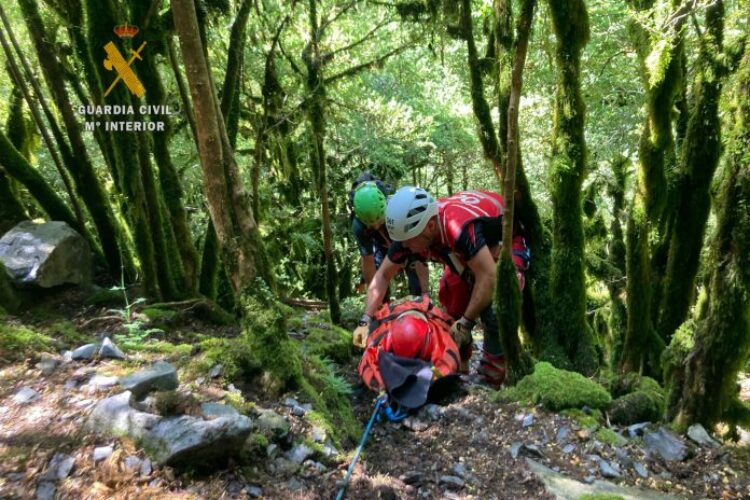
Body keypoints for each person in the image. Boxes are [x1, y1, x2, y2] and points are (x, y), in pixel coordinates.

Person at [354, 187, 530, 388]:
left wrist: (467, 321)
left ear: (429, 226)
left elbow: (489, 277)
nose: (407, 248)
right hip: (464, 254)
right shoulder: (409, 235)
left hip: (505, 241)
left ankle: (491, 377)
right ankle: (460, 366)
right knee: (452, 297)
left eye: (410, 242)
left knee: (498, 303)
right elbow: (383, 276)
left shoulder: (458, 227)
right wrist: (365, 320)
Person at [358, 296, 460, 410]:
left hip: (420, 324)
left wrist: (433, 379)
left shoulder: (438, 330)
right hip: (394, 320)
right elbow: (367, 361)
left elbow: (448, 363)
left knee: (460, 335)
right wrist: (382, 386)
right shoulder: (381, 334)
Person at [349, 173, 427, 297]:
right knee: (380, 280)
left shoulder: (399, 209)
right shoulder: (359, 225)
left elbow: (418, 253)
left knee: (414, 272)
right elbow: (368, 263)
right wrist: (375, 301)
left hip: (403, 239)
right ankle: (383, 306)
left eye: (379, 221)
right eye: (370, 224)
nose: (375, 227)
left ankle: (421, 302)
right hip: (381, 246)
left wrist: (425, 293)